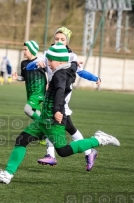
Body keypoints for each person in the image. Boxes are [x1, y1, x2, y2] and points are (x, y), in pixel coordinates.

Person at [0, 42, 120, 184]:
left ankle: (99, 139)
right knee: (21, 140)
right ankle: (8, 174)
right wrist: (75, 63)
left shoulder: (60, 75)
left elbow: (60, 92)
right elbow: (71, 65)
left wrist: (57, 111)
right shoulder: (67, 67)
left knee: (63, 151)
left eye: (50, 61)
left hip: (53, 121)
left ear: (59, 61)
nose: (48, 63)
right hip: (43, 120)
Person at [36, 26, 102, 170]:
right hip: (50, 96)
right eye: (57, 38)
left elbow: (81, 72)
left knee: (51, 123)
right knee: (69, 128)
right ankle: (89, 151)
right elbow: (32, 64)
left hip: (61, 97)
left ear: (67, 41)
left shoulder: (72, 57)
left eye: (62, 39)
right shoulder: (48, 53)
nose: (59, 41)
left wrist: (95, 78)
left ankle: (51, 155)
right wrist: (37, 63)